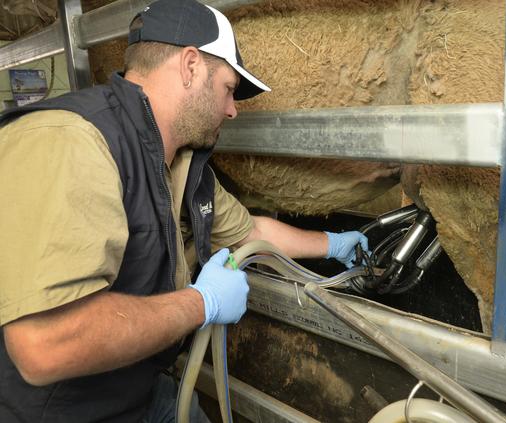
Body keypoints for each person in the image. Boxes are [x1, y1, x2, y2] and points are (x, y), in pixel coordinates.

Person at [0, 0, 369, 421]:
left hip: (135, 385)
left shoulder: (179, 162)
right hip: (61, 412)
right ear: (190, 66)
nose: (232, 109)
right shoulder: (72, 142)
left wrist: (334, 244)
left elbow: (248, 233)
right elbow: (43, 345)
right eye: (229, 89)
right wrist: (201, 303)